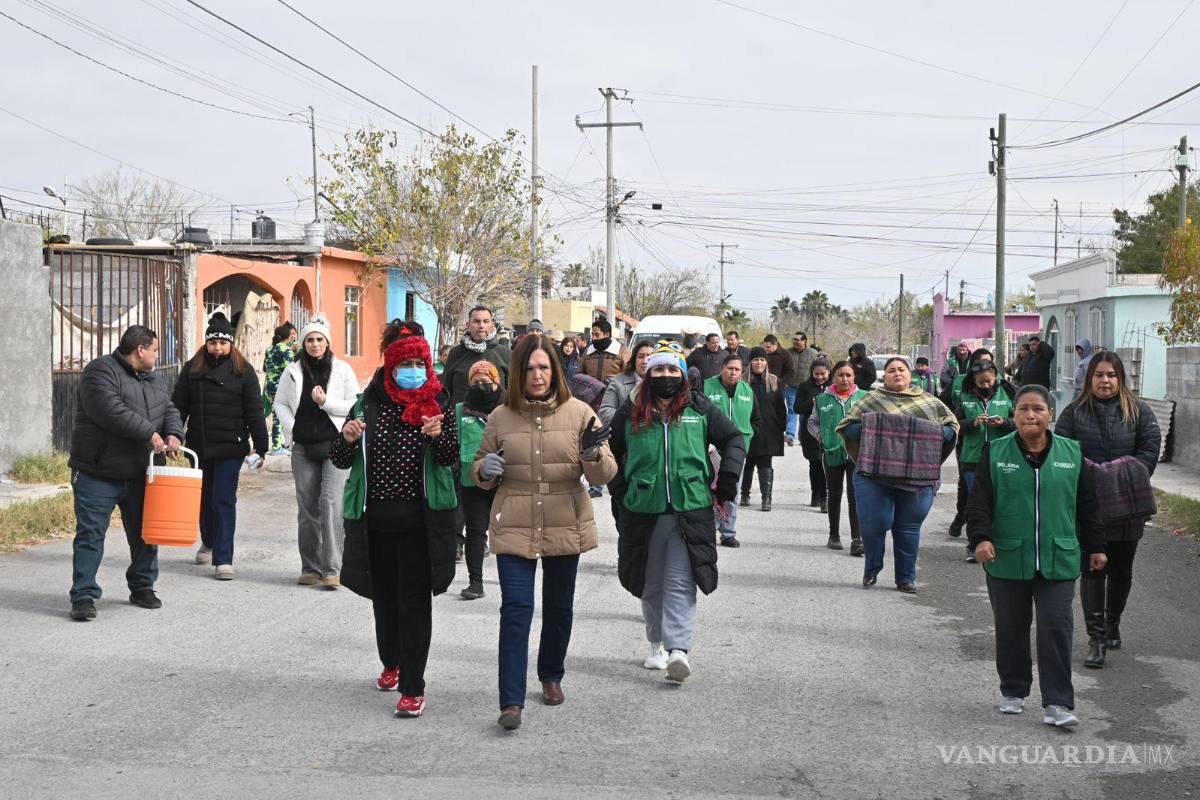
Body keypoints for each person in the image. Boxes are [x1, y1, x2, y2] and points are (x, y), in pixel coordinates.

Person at [471, 336, 618, 731]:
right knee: (516, 609)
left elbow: (605, 474)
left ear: (555, 371)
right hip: (514, 516)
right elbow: (479, 467)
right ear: (518, 373)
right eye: (529, 368)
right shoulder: (501, 416)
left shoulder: (581, 413)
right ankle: (511, 700)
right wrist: (484, 469)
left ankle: (551, 673)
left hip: (563, 517)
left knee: (558, 606)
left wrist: (592, 454)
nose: (537, 375)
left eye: (544, 367)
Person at [331, 321, 459, 718]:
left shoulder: (438, 401)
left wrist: (438, 435)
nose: (414, 371)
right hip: (375, 523)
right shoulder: (367, 403)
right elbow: (340, 459)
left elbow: (449, 458)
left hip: (420, 524)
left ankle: (413, 687)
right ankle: (392, 661)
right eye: (406, 364)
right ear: (391, 365)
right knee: (384, 602)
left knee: (415, 604)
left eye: (420, 363)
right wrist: (346, 439)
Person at [967, 384, 1104, 728]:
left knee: (1056, 627)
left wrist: (1097, 546)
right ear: (1013, 415)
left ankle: (1058, 702)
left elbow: (1088, 505)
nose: (1031, 415)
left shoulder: (1072, 453)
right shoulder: (995, 452)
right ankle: (1013, 690)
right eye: (1024, 409)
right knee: (1010, 626)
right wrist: (981, 538)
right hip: (1007, 556)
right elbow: (979, 501)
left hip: (1059, 557)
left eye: (1038, 409)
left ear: (1050, 414)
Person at [609, 341, 745, 684]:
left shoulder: (699, 408)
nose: (665, 375)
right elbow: (609, 454)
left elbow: (734, 439)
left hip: (691, 508)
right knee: (650, 582)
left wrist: (727, 479)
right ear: (648, 373)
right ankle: (656, 643)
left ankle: (678, 649)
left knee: (681, 581)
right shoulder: (631, 411)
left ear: (683, 374)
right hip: (644, 510)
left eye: (672, 369)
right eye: (659, 369)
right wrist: (620, 491)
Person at [67, 325, 183, 621]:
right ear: (140, 350)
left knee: (146, 534)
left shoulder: (153, 377)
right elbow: (110, 410)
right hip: (98, 472)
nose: (157, 355)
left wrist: (173, 433)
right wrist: (150, 434)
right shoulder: (99, 372)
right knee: (91, 535)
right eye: (155, 350)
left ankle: (143, 586)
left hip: (142, 473)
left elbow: (168, 408)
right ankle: (83, 595)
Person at [1053, 352, 1161, 669]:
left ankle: (1113, 623)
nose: (1105, 381)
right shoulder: (1074, 412)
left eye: (1111, 375)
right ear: (1090, 378)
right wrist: (1093, 478)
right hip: (1088, 506)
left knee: (1122, 570)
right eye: (1099, 375)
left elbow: (1149, 451)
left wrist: (1115, 474)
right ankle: (1096, 638)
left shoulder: (1139, 411)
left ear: (1120, 378)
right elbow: (1063, 451)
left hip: (1128, 503)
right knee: (1092, 569)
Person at [837, 357, 958, 593]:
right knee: (875, 523)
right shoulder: (871, 400)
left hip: (918, 477)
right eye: (891, 370)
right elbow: (848, 428)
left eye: (901, 369)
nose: (897, 373)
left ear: (910, 375)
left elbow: (950, 431)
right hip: (873, 474)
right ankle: (872, 568)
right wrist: (878, 424)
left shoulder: (930, 402)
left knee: (908, 528)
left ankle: (906, 578)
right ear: (885, 377)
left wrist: (921, 429)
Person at [171, 312, 270, 580]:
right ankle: (209, 541)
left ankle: (224, 559)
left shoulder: (243, 371)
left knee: (223, 499)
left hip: (231, 447)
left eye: (223, 343)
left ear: (230, 344)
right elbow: (178, 406)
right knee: (204, 499)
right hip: (200, 447)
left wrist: (261, 446)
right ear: (206, 343)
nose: (217, 348)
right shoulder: (192, 369)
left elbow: (254, 410)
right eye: (213, 342)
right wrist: (173, 435)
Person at [273, 314, 361, 588]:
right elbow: (279, 404)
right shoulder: (292, 371)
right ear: (303, 343)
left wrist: (326, 403)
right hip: (303, 447)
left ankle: (333, 568)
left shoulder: (342, 370)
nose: (314, 344)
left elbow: (355, 405)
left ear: (327, 342)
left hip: (336, 445)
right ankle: (310, 567)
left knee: (332, 504)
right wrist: (293, 427)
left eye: (319, 339)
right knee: (307, 508)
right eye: (309, 339)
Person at [955, 361, 1016, 563]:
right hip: (972, 458)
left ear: (995, 377)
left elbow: (1020, 422)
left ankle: (1000, 543)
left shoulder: (1008, 393)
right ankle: (974, 545)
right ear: (973, 381)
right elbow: (955, 424)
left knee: (1001, 501)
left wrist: (1004, 423)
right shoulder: (965, 396)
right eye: (981, 382)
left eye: (988, 381)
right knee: (976, 502)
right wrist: (971, 423)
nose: (985, 385)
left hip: (1002, 456)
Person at [454, 360, 505, 600]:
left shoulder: (509, 409)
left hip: (505, 480)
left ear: (496, 382)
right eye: (475, 382)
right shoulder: (460, 410)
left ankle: (511, 581)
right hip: (471, 481)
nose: (481, 385)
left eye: (486, 381)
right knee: (475, 532)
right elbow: (453, 444)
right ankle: (475, 583)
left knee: (506, 532)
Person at [807, 360, 868, 554]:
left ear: (854, 377)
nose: (845, 379)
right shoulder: (822, 400)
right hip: (832, 453)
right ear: (833, 377)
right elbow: (812, 423)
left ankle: (857, 539)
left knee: (855, 496)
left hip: (856, 454)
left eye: (849, 375)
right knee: (834, 494)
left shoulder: (864, 398)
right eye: (840, 375)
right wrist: (822, 437)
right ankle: (834, 536)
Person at [703, 354, 761, 547]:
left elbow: (756, 419)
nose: (733, 373)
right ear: (722, 369)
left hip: (736, 452)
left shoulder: (747, 390)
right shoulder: (707, 387)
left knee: (732, 492)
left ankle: (728, 533)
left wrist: (746, 437)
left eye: (737, 370)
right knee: (708, 491)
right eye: (730, 368)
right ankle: (707, 531)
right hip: (710, 450)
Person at [742, 347, 787, 511]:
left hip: (769, 429)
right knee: (748, 462)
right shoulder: (742, 382)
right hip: (747, 427)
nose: (759, 363)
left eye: (762, 360)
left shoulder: (774, 381)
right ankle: (744, 494)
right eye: (755, 359)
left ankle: (766, 498)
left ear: (766, 362)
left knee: (765, 462)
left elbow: (781, 408)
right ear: (750, 362)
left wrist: (781, 427)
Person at [442, 306, 512, 406]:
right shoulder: (455, 353)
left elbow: (512, 392)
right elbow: (446, 391)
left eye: (486, 321)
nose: (481, 325)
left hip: (495, 414)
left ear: (492, 325)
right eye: (476, 321)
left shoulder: (505, 354)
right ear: (468, 325)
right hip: (460, 414)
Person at [794, 356, 833, 510]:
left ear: (829, 372)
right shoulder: (804, 386)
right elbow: (797, 408)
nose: (819, 377)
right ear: (811, 372)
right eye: (816, 374)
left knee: (825, 465)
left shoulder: (833, 386)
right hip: (809, 431)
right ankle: (815, 494)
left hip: (829, 431)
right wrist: (811, 402)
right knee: (814, 464)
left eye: (823, 374)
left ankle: (825, 498)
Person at [599, 340, 654, 426]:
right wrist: (629, 421)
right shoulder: (618, 381)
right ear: (634, 360)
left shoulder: (663, 381)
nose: (645, 361)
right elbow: (605, 412)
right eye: (640, 357)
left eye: (650, 357)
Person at [262, 322, 297, 454]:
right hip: (280, 386)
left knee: (276, 414)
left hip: (268, 385)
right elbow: (290, 370)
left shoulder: (269, 349)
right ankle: (277, 446)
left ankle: (279, 444)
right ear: (287, 337)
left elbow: (265, 367)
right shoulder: (286, 350)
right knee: (279, 416)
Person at [580, 318, 630, 382]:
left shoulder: (623, 352)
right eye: (592, 334)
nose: (593, 338)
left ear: (607, 335)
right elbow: (580, 375)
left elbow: (628, 377)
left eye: (597, 335)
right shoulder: (588, 352)